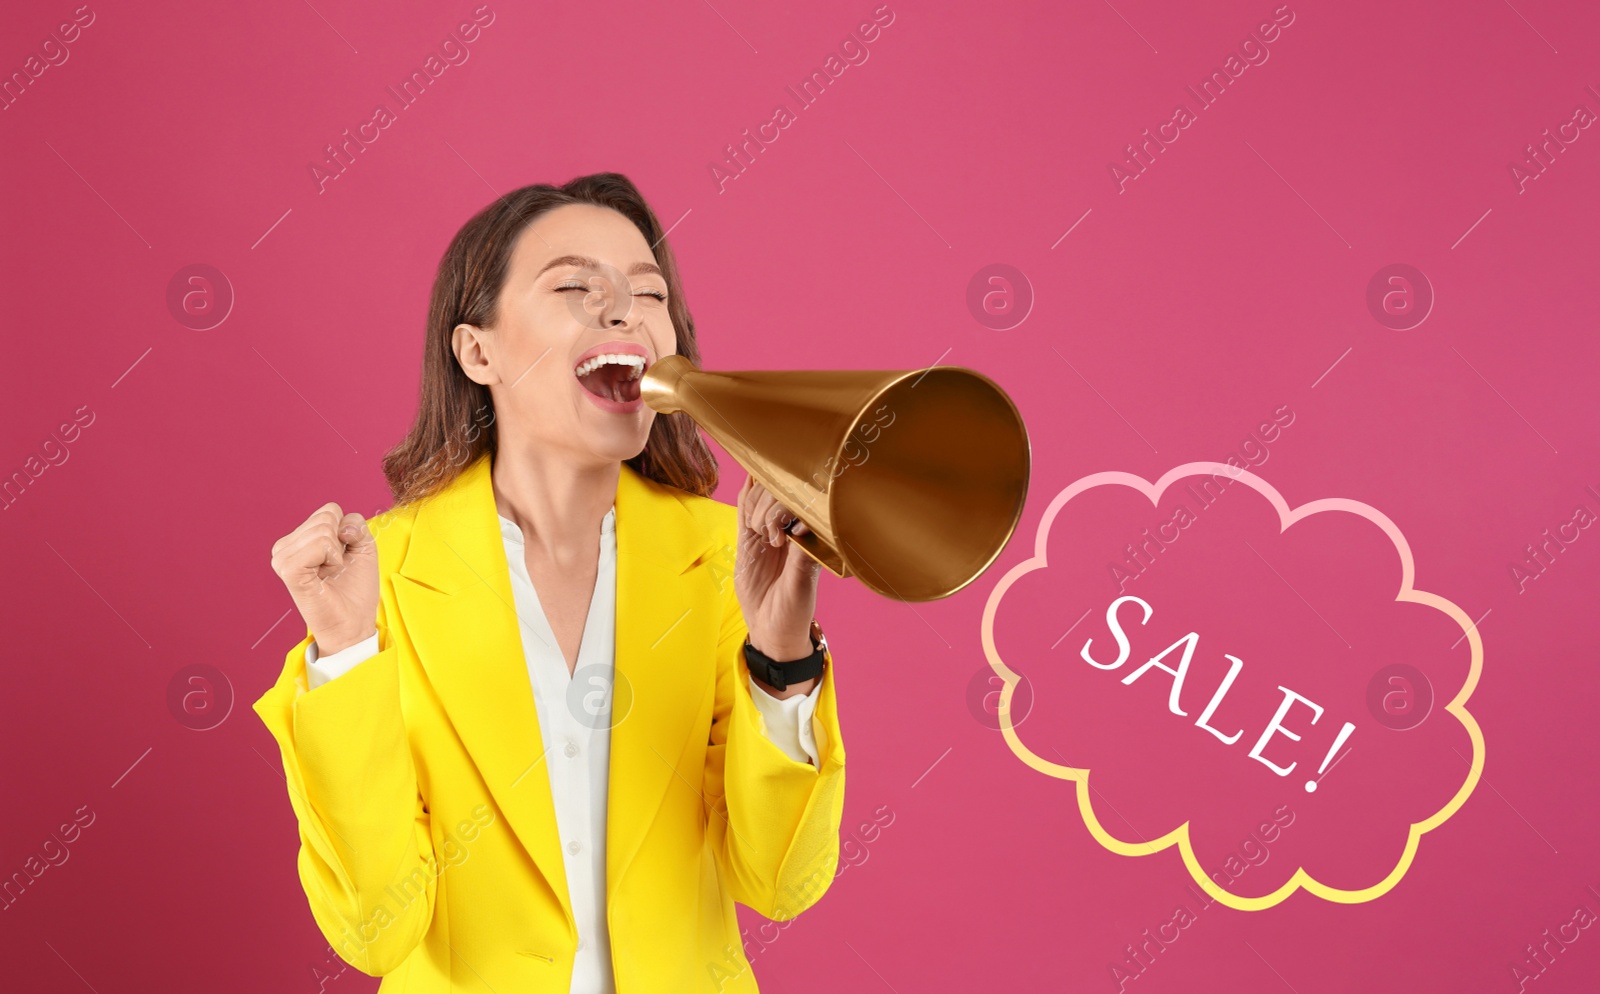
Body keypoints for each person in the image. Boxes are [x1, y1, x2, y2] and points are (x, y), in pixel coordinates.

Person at [253, 173, 845, 993]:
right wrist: (346, 653)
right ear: (477, 351)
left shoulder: (727, 560)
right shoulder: (374, 578)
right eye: (575, 285)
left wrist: (781, 662)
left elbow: (779, 883)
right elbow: (375, 931)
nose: (623, 311)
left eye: (649, 292)